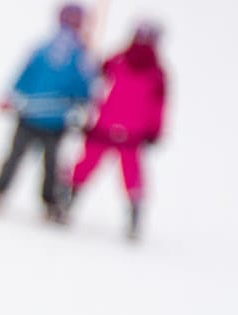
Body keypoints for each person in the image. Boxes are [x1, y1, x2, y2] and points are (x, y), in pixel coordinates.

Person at [63, 20, 169, 240]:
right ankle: (66, 203)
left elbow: (157, 106)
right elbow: (95, 79)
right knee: (87, 168)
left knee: (128, 175)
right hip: (109, 127)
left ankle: (132, 218)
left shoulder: (153, 73)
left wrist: (154, 130)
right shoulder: (120, 61)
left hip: (125, 131)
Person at [0, 3, 95, 221]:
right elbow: (83, 91)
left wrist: (12, 95)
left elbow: (26, 74)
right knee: (37, 162)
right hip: (43, 118)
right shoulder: (77, 54)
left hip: (44, 118)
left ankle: (10, 196)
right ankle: (17, 197)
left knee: (32, 161)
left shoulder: (57, 49)